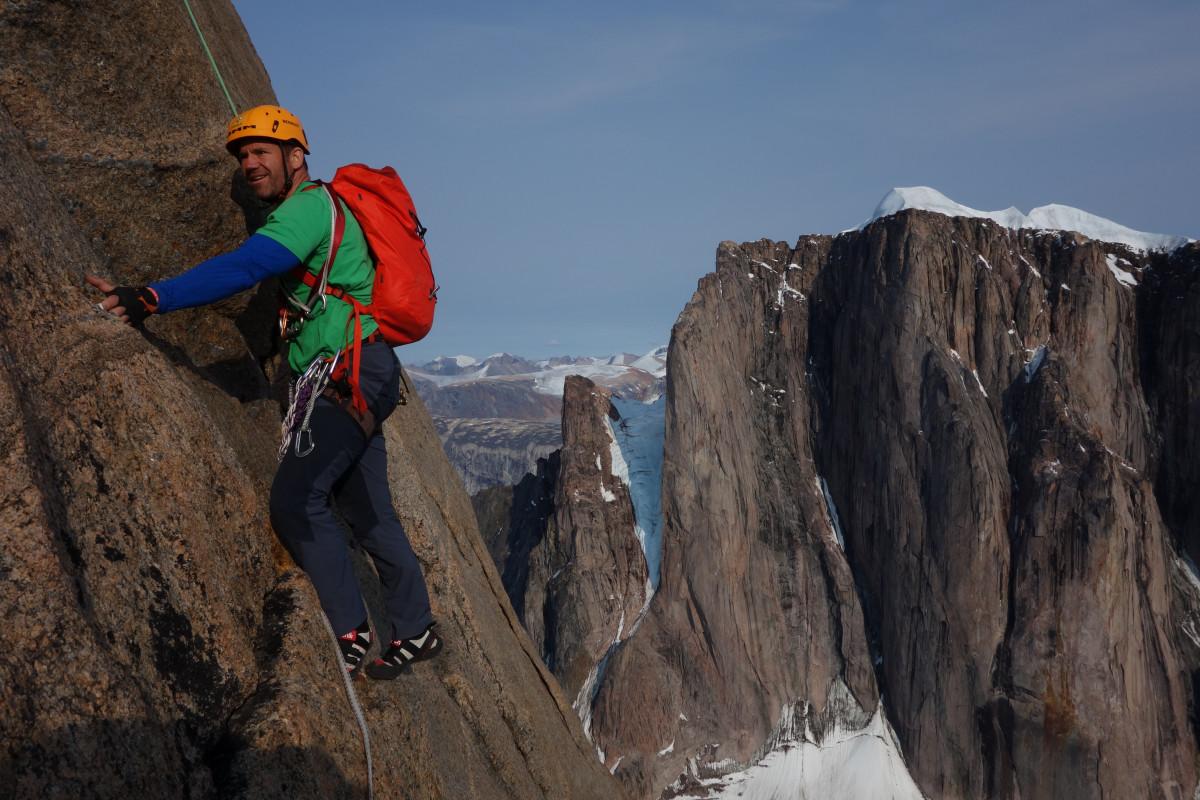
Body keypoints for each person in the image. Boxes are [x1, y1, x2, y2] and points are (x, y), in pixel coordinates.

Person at [88, 104, 441, 680]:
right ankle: (416, 627)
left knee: (296, 500)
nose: (249, 164)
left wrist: (153, 297)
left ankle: (350, 633)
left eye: (260, 152)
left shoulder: (308, 208)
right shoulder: (321, 207)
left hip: (345, 372)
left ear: (295, 157)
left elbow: (250, 264)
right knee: (367, 509)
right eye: (242, 156)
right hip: (365, 369)